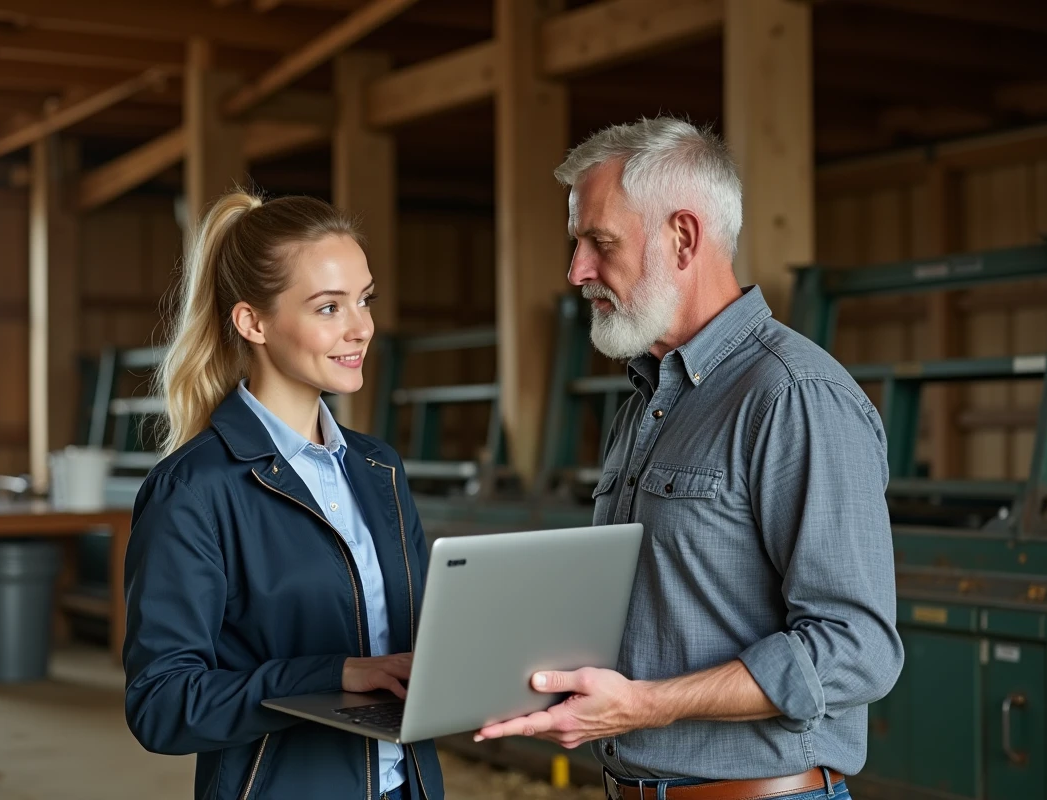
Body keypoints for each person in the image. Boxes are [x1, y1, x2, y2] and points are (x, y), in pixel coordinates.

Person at [476, 117, 903, 800]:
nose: (576, 271)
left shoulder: (793, 396)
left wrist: (647, 705)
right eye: (576, 243)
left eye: (599, 242)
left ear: (682, 237)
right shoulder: (646, 401)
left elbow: (856, 649)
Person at [122, 190, 444, 800]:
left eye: (365, 299)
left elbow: (414, 648)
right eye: (329, 307)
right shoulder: (193, 490)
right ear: (253, 323)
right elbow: (161, 703)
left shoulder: (379, 467)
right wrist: (333, 674)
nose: (361, 328)